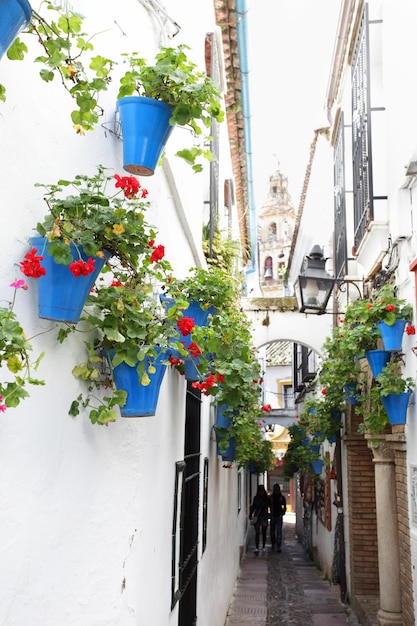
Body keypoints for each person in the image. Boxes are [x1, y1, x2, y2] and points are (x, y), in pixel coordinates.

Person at [250, 484, 270, 554]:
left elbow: (269, 505)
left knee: (264, 532)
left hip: (264, 516)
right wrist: (250, 514)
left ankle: (263, 546)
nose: (261, 492)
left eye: (262, 491)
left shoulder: (266, 498)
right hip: (258, 516)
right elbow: (253, 507)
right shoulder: (256, 498)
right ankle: (257, 547)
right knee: (257, 533)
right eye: (260, 491)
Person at [269, 483, 287, 552]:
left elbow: (284, 506)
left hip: (278, 516)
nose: (276, 491)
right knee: (272, 532)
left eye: (277, 489)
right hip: (273, 516)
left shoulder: (281, 498)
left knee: (278, 532)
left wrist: (283, 512)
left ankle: (278, 546)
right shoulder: (271, 498)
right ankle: (273, 543)